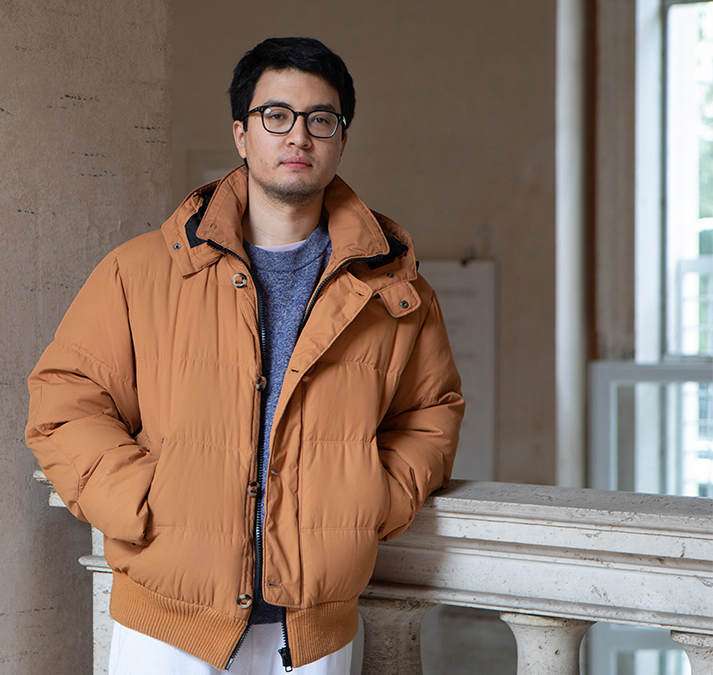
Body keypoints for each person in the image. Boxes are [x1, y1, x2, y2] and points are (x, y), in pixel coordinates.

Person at [26, 37, 464, 675]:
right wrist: (142, 503)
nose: (299, 136)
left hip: (313, 631)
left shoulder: (394, 290)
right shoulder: (140, 271)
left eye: (321, 119)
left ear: (341, 139)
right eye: (276, 116)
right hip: (165, 622)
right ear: (241, 133)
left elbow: (432, 413)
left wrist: (372, 502)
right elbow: (64, 402)